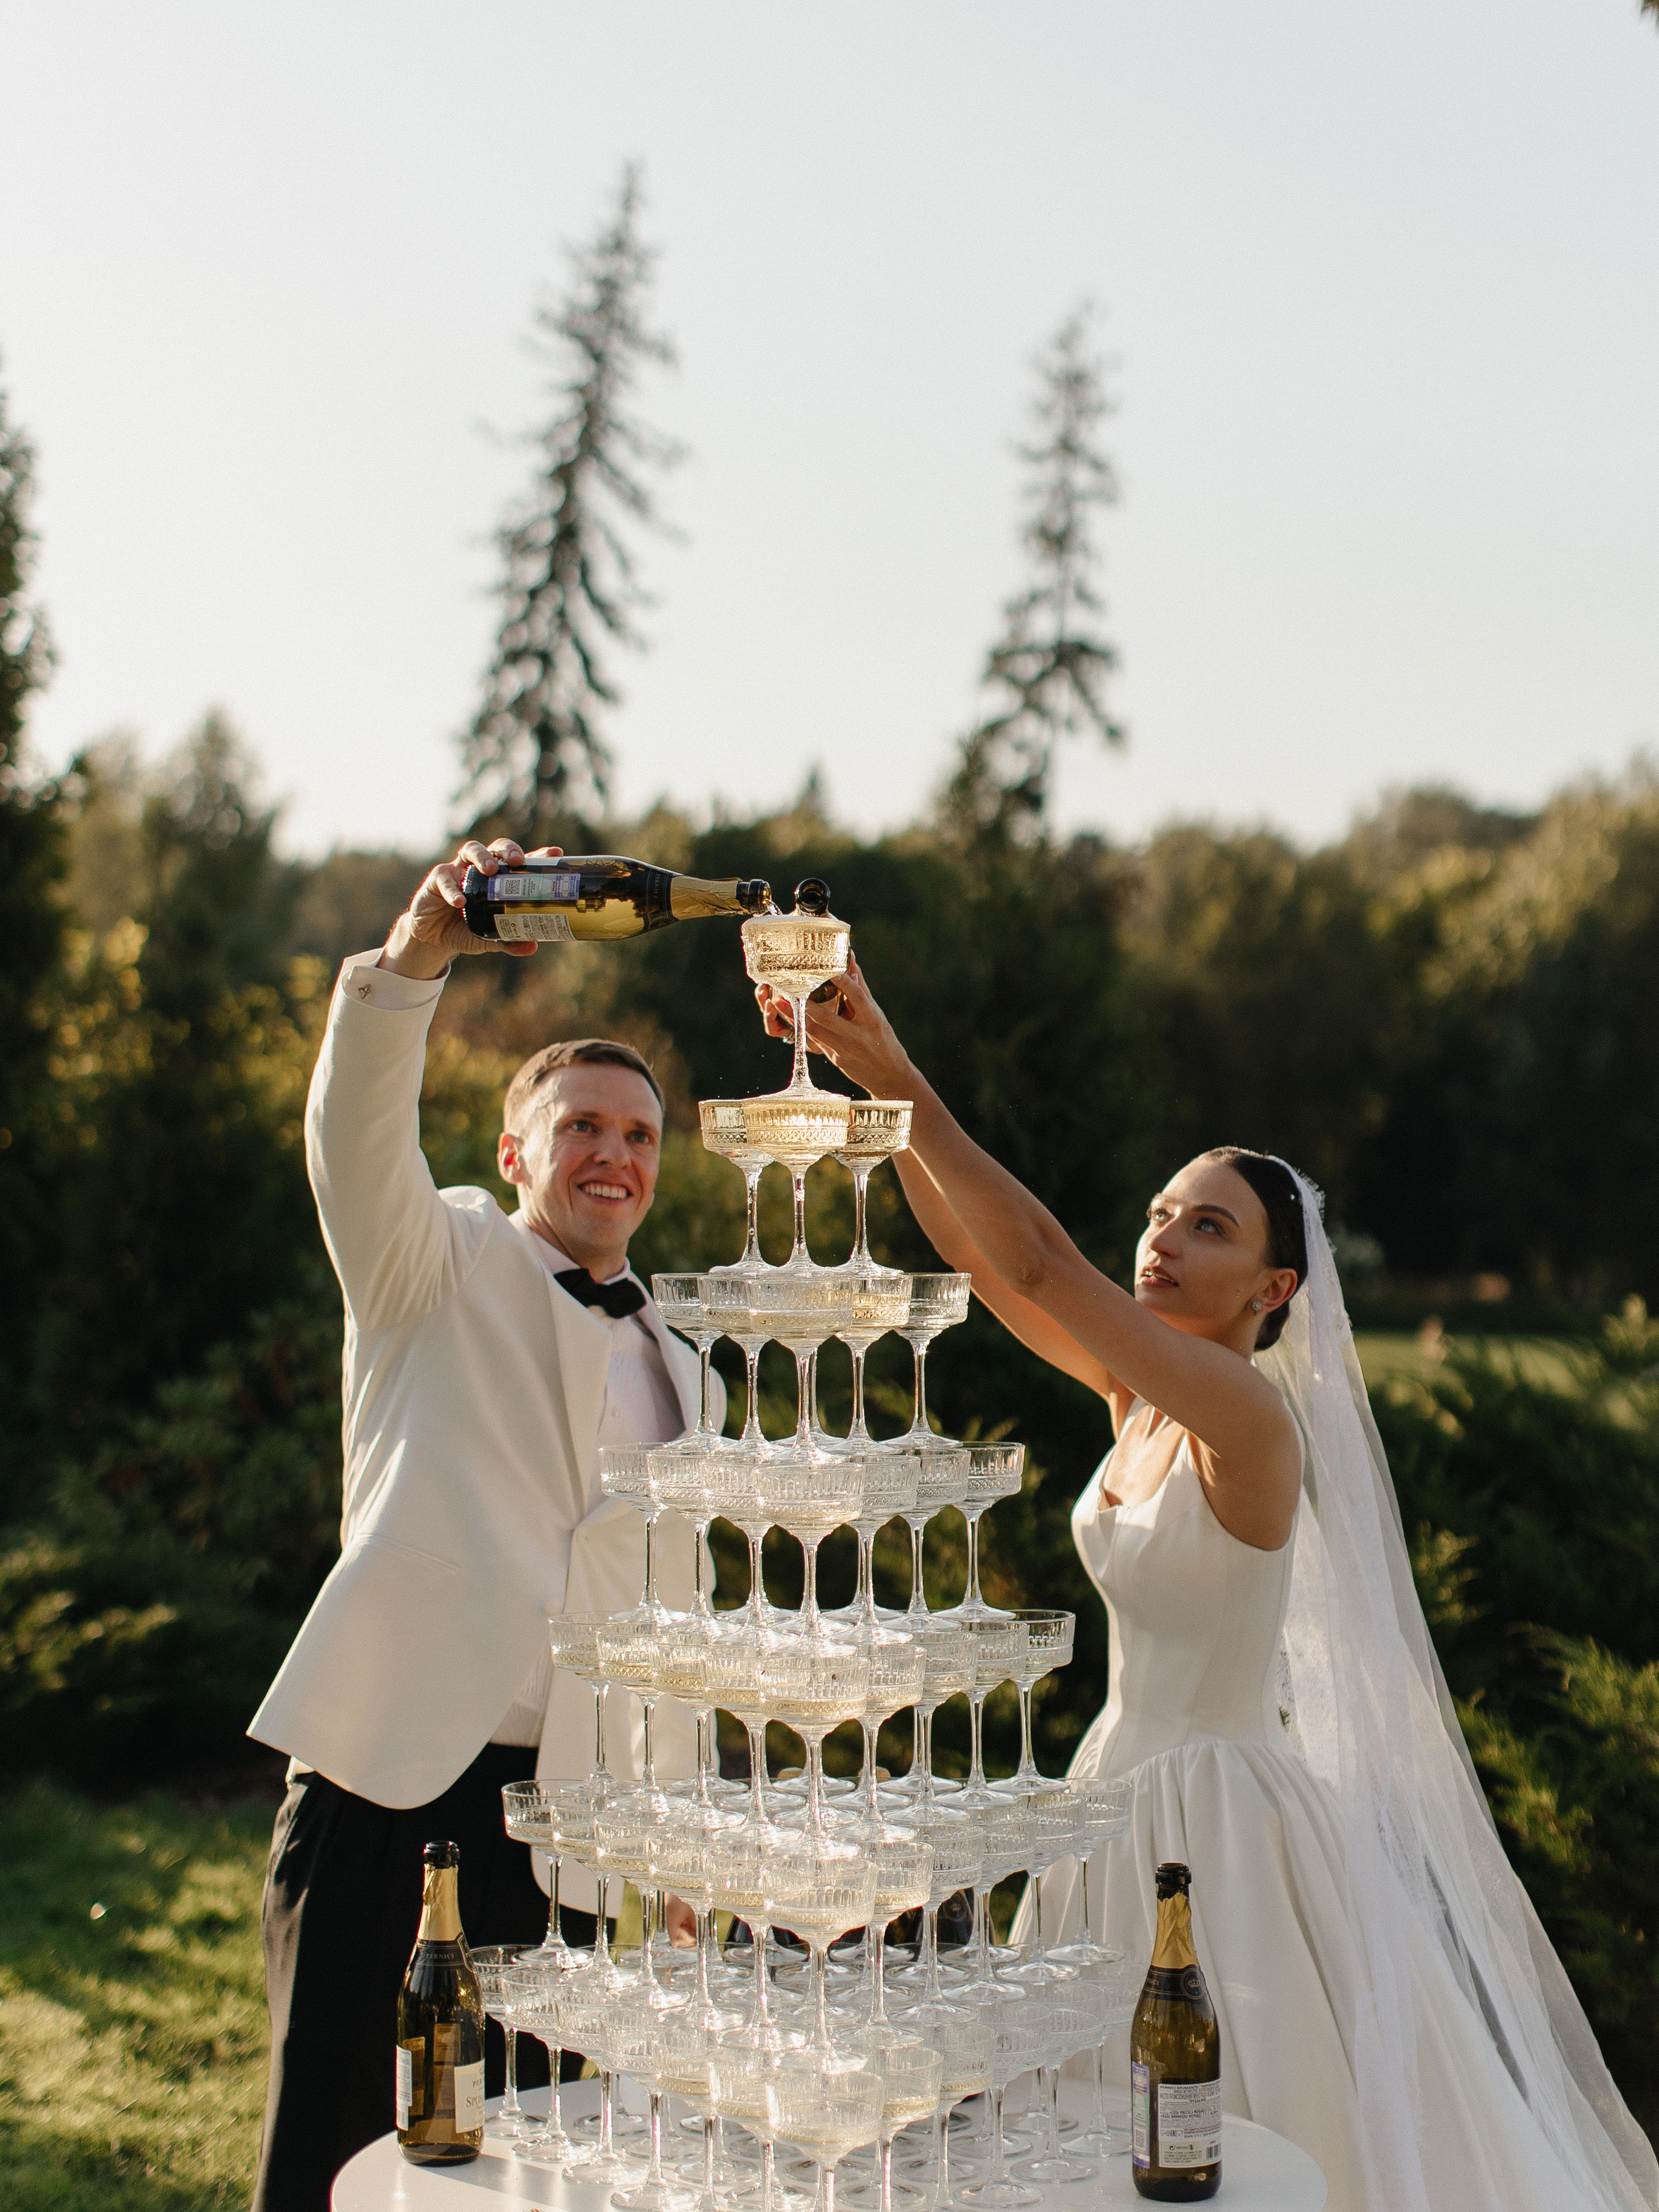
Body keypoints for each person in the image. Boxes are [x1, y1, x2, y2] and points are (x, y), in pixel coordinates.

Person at [757, 958, 1658, 2212]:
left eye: (1209, 1228)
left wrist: (901, 1070)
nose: (1163, 1241)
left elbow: (1045, 1263)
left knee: (1241, 2135)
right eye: (1161, 1214)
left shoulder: (1250, 1422)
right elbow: (985, 1258)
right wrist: (879, 1099)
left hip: (1222, 1829)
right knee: (1086, 2142)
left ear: (1275, 1290)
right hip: (1106, 1802)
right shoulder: (1137, 1398)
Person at [248, 839, 712, 2212]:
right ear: (515, 1151)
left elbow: (669, 1613)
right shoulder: (430, 1261)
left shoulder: (691, 1364)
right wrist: (415, 958)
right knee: (341, 2154)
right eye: (582, 1127)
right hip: (389, 1786)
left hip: (565, 1824)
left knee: (528, 2166)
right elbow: (352, 1135)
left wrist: (677, 1837)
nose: (613, 1153)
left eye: (639, 1135)